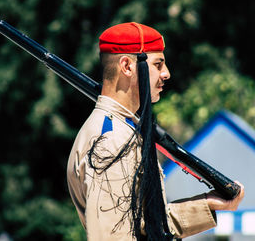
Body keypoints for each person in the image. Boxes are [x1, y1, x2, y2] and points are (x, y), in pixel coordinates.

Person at [67, 22, 245, 241]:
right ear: (127, 66)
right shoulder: (112, 140)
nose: (166, 74)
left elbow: (145, 223)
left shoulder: (122, 129)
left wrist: (207, 205)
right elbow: (112, 236)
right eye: (158, 64)